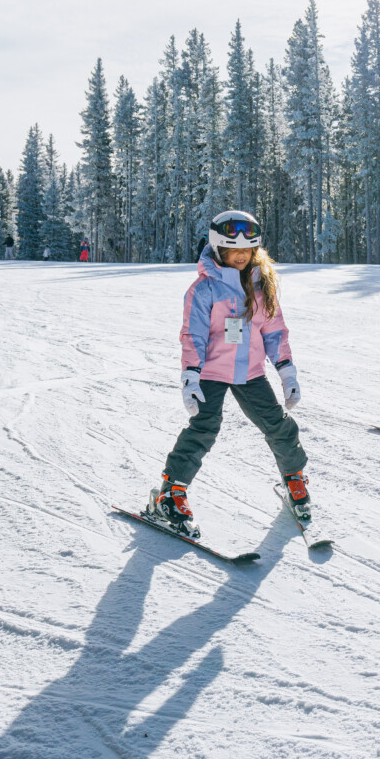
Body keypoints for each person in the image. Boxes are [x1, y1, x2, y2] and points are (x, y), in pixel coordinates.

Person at [147, 210, 308, 537]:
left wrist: (286, 371)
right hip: (211, 372)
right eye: (234, 250)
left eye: (247, 251)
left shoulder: (262, 287)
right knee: (204, 427)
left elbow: (274, 332)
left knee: (277, 425)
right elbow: (193, 334)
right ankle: (171, 493)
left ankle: (294, 479)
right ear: (218, 250)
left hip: (250, 373)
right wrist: (190, 375)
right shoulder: (203, 290)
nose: (241, 256)